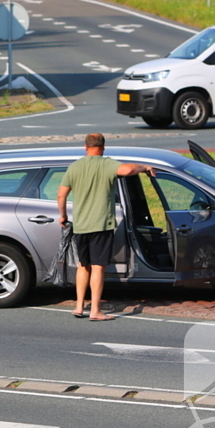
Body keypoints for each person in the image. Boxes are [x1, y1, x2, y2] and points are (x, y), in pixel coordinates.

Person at [56, 133, 155, 321]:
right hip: (101, 224)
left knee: (82, 265)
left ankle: (78, 306)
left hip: (81, 225)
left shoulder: (75, 167)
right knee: (98, 267)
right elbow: (126, 171)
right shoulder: (107, 164)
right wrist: (144, 168)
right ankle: (95, 310)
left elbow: (61, 195)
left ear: (85, 147)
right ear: (103, 147)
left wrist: (63, 216)